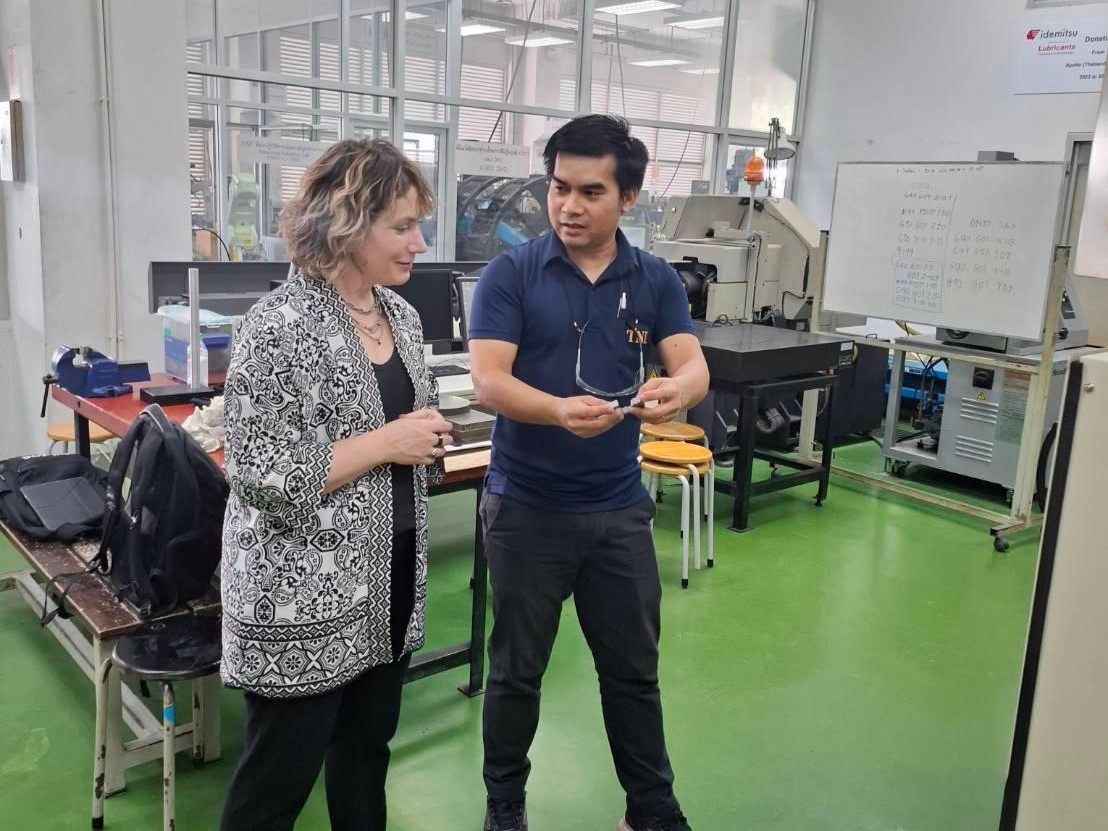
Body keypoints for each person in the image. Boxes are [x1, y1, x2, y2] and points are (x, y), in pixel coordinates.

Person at [467, 115, 710, 831]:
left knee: (633, 673)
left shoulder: (656, 278)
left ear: (627, 197)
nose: (569, 206)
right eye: (558, 188)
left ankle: (651, 807)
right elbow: (488, 381)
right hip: (526, 510)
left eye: (590, 191)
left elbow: (690, 361)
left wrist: (681, 390)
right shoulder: (510, 274)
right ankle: (504, 807)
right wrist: (554, 411)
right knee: (516, 674)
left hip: (617, 511)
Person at [219, 138, 453, 831]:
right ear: (350, 223)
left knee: (364, 758)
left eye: (418, 224)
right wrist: (390, 441)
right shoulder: (278, 326)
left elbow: (406, 425)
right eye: (403, 226)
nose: (418, 242)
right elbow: (258, 473)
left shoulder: (402, 318)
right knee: (275, 786)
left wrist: (424, 438)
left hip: (386, 585)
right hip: (302, 600)